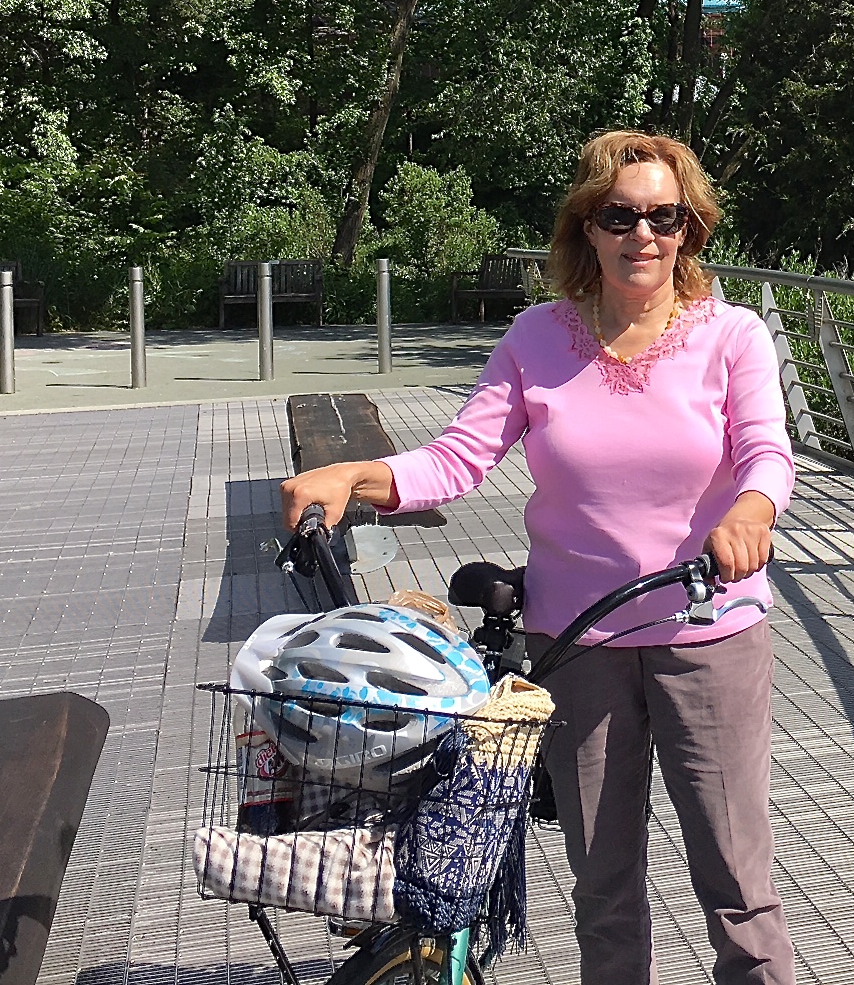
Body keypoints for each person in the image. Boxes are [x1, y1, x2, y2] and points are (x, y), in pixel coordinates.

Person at [282, 129, 797, 985]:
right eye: (619, 215)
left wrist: (751, 509)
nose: (644, 235)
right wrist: (356, 475)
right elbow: (455, 459)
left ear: (691, 228)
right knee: (602, 888)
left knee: (738, 886)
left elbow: (767, 453)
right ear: (585, 228)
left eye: (664, 217)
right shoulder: (536, 338)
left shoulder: (731, 335)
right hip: (578, 645)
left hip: (708, 633)